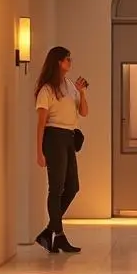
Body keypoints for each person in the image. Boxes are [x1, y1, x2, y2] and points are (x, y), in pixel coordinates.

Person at [33, 46, 89, 254]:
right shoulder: (47, 90)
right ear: (58, 62)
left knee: (72, 186)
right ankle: (59, 236)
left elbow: (84, 112)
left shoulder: (70, 86)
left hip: (69, 136)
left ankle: (50, 232)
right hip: (53, 137)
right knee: (56, 188)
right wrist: (39, 152)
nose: (70, 62)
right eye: (67, 59)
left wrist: (82, 93)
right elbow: (41, 123)